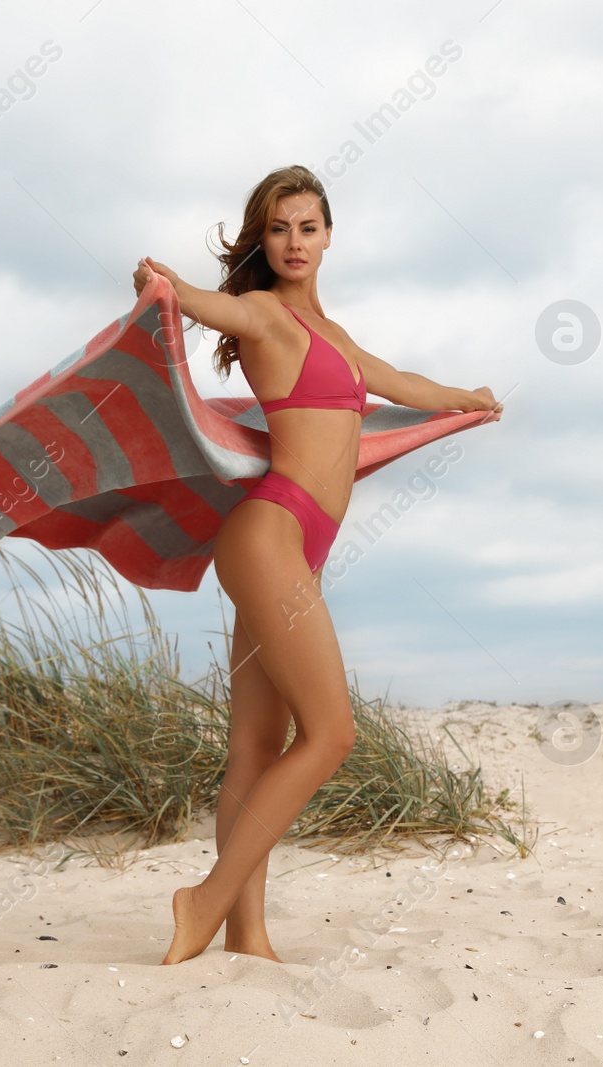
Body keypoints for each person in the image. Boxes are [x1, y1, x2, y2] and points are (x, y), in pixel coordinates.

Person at [130, 165, 501, 965]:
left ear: (329, 235)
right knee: (332, 734)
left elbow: (400, 382)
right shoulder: (263, 313)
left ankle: (245, 934)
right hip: (269, 536)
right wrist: (167, 284)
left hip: (298, 549)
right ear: (261, 240)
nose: (294, 242)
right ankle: (204, 898)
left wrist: (465, 397)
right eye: (278, 228)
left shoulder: (338, 337)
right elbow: (208, 304)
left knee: (255, 747)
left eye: (307, 226)